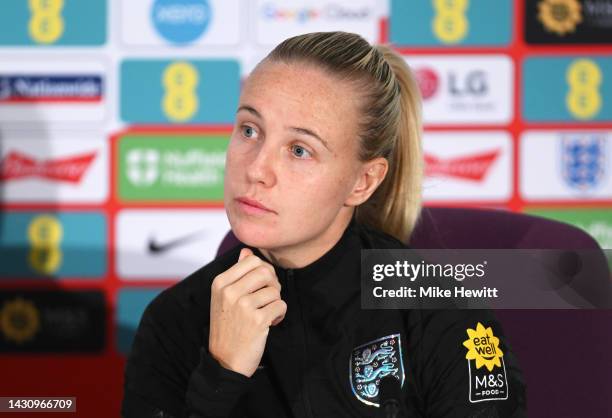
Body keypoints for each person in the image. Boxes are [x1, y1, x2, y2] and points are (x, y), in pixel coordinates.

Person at [122, 31, 526, 417]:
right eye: (249, 130)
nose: (257, 169)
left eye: (299, 150)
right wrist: (221, 376)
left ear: (362, 182)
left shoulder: (441, 311)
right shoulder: (175, 319)